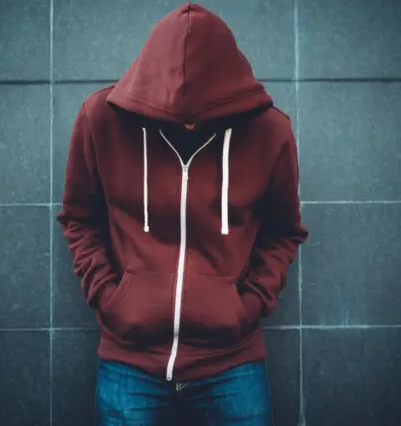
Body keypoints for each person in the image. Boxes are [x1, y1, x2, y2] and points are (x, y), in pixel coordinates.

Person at [57, 2, 308, 425]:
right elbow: (80, 218)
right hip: (128, 361)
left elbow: (284, 231)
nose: (188, 124)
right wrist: (109, 296)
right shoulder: (101, 120)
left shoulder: (269, 131)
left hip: (233, 361)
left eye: (204, 114)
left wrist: (248, 305)